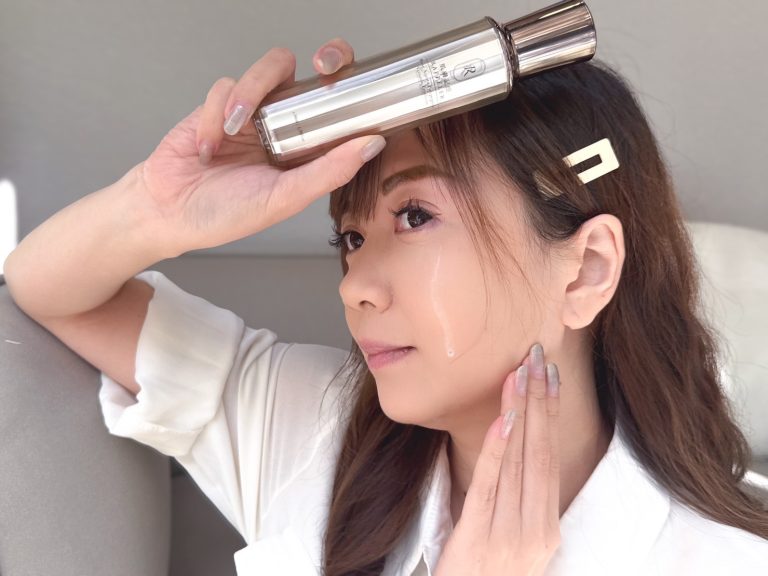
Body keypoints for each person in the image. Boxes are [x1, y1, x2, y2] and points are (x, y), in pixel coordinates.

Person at [5, 38, 767, 576]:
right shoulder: (314, 435)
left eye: (414, 216)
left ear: (586, 271)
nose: (353, 285)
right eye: (351, 237)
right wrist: (159, 208)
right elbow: (47, 290)